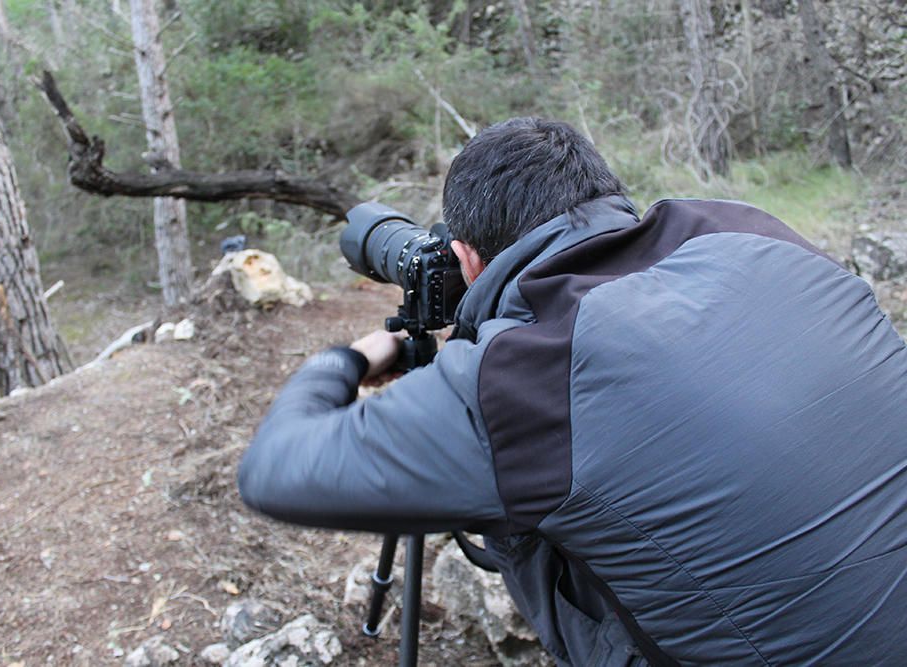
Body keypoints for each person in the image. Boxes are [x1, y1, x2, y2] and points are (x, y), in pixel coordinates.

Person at [238, 117, 907, 665]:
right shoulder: (749, 231)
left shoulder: (526, 377)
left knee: (515, 508)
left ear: (469, 260)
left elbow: (273, 467)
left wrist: (356, 355)